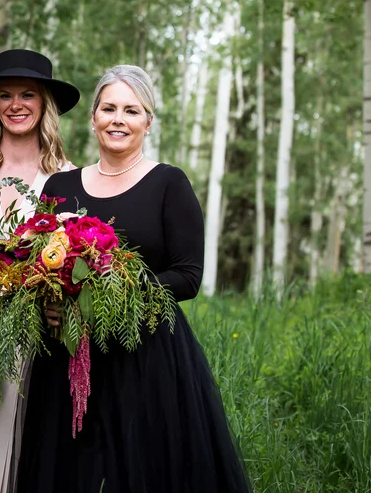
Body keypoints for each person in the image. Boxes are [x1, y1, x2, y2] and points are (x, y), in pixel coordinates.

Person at [16, 65, 251, 493]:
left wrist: (113, 294)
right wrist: (48, 301)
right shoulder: (61, 185)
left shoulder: (169, 184)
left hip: (145, 354)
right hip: (68, 360)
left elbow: (188, 275)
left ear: (148, 121)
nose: (118, 119)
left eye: (131, 110)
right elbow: (37, 265)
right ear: (93, 118)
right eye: (108, 109)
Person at [0, 49, 80, 493]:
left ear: (45, 104)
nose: (16, 104)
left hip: (37, 334)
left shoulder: (68, 178)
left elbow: (75, 261)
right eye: (5, 95)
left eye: (28, 94)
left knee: (34, 452)